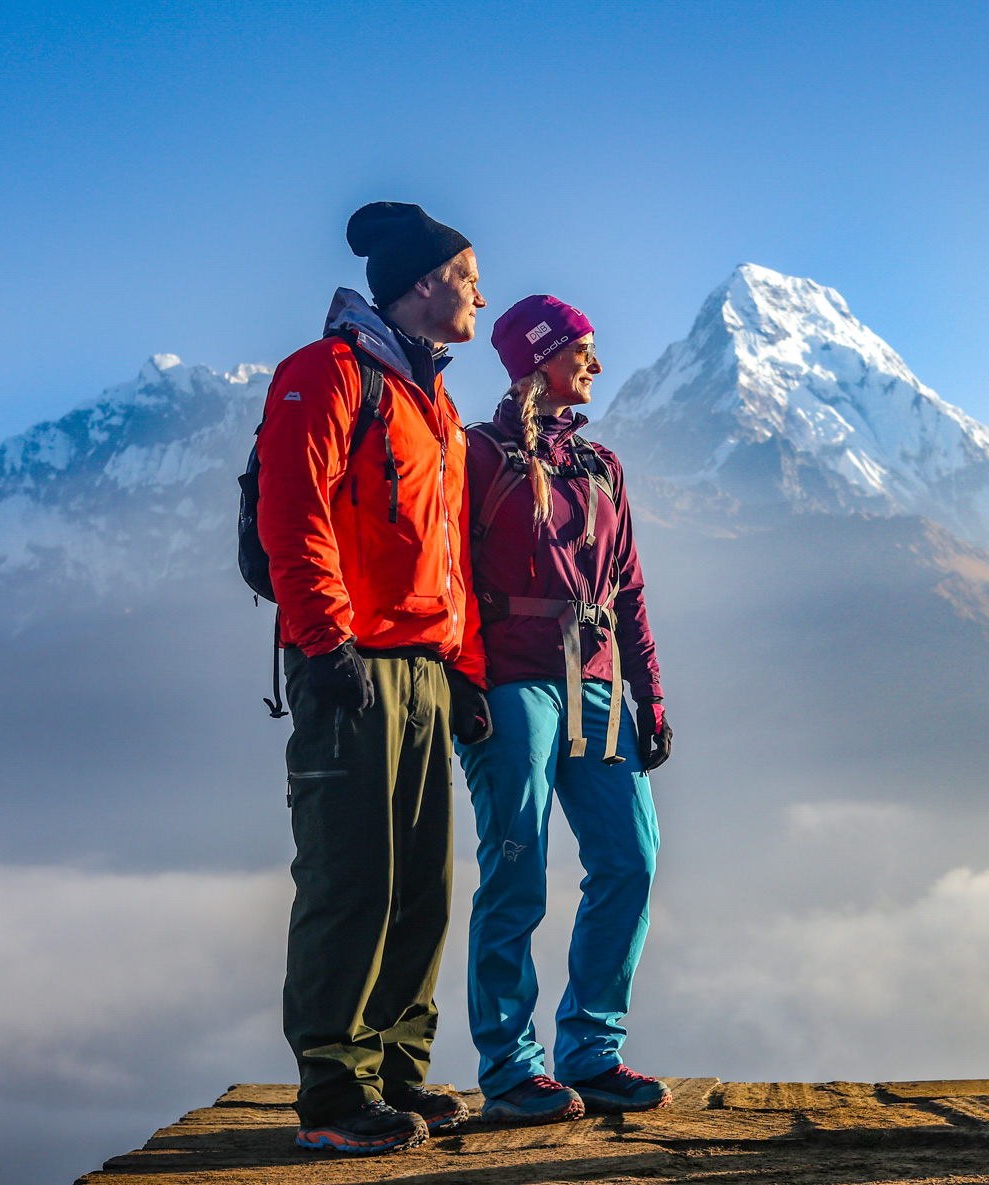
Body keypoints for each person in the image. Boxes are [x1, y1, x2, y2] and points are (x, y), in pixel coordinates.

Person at [256, 201, 494, 1155]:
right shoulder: (325, 377)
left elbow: (451, 554)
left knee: (420, 887)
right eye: (471, 274)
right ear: (425, 282)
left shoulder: (433, 404)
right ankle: (333, 1089)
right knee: (350, 877)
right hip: (349, 666)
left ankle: (397, 1068)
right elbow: (293, 515)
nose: (482, 290)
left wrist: (465, 668)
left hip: (425, 673)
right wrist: (324, 644)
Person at [458, 294, 674, 1124]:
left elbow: (629, 589)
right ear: (539, 358)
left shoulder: (600, 464)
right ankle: (512, 1066)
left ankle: (590, 1049)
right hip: (510, 681)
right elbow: (455, 575)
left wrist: (646, 694)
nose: (594, 363)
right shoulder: (475, 456)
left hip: (595, 680)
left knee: (632, 858)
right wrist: (466, 683)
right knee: (516, 869)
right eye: (582, 348)